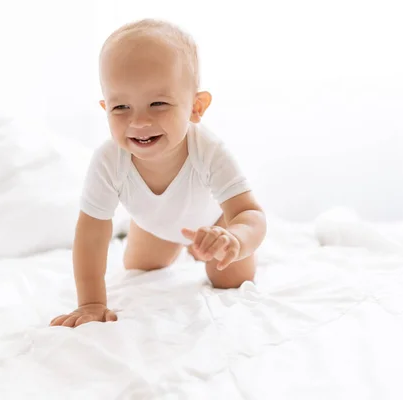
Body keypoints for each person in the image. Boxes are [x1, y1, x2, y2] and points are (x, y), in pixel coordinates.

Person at [50, 19, 266, 327]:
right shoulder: (109, 160)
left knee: (230, 278)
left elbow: (250, 214)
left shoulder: (208, 150)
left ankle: (208, 247)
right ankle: (165, 238)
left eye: (158, 103)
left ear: (196, 107)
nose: (138, 121)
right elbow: (91, 234)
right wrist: (91, 303)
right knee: (140, 267)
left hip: (216, 223)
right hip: (155, 225)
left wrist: (235, 238)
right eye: (121, 107)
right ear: (104, 107)